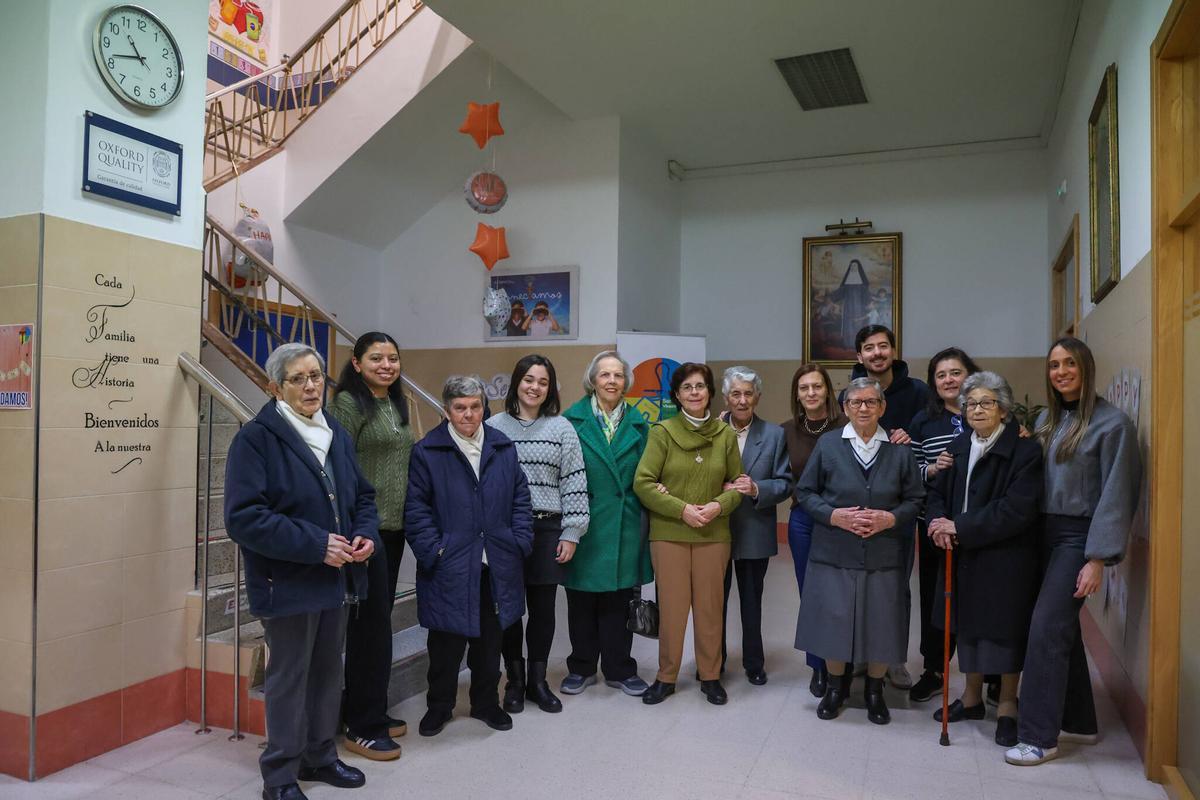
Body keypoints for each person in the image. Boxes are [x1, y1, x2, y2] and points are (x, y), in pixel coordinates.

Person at [225, 343, 378, 800]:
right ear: (275, 387)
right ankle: (279, 776)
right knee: (290, 677)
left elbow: (362, 496)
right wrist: (316, 545)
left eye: (316, 376)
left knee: (328, 671)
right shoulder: (256, 439)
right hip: (287, 583)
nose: (311, 386)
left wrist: (365, 533)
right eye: (298, 378)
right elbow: (244, 517)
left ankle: (319, 756)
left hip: (336, 579)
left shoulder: (335, 433)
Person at [1005, 338, 1141, 766]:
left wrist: (1098, 558)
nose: (1060, 371)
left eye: (1069, 363)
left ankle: (1038, 737)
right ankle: (1079, 720)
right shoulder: (1048, 420)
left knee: (1045, 629)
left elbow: (1117, 496)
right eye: (1053, 365)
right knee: (1061, 629)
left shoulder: (1112, 425)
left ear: (1086, 367)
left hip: (1076, 539)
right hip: (1040, 534)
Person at [404, 376, 534, 737]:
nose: (468, 414)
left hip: (495, 563)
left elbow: (521, 500)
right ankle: (439, 707)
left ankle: (485, 703)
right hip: (450, 564)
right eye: (460, 408)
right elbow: (417, 512)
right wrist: (436, 551)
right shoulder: (428, 452)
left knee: (489, 644)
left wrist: (517, 541)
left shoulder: (503, 448)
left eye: (475, 406)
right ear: (446, 411)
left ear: (484, 408)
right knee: (445, 645)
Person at [795, 377, 924, 725]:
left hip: (883, 552)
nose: (863, 408)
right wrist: (833, 516)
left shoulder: (900, 449)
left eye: (871, 402)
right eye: (856, 402)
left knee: (881, 622)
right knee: (835, 620)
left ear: (882, 407)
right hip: (833, 550)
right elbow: (805, 494)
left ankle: (874, 691)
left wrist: (890, 518)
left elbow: (915, 499)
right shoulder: (829, 444)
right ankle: (836, 687)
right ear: (846, 407)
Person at [926, 371, 1043, 747]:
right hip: (962, 553)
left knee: (1006, 630)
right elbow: (936, 494)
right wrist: (936, 524)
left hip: (1005, 556)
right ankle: (972, 697)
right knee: (968, 626)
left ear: (1004, 409)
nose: (977, 409)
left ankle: (1008, 704)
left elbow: (1016, 510)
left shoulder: (1025, 451)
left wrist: (958, 526)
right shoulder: (959, 446)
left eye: (986, 402)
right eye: (971, 403)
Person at [634, 362, 743, 706]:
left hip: (714, 533)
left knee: (711, 609)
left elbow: (738, 486)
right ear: (677, 395)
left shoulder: (725, 435)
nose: (695, 392)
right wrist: (681, 509)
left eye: (700, 386)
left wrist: (717, 506)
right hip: (669, 533)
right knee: (673, 609)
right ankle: (666, 677)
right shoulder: (662, 433)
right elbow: (643, 482)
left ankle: (710, 676)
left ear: (710, 392)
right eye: (687, 387)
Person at [486, 355, 589, 714]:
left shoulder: (562, 429)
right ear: (516, 382)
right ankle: (513, 682)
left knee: (543, 610)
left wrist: (572, 531)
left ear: (550, 388)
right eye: (529, 379)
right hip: (505, 530)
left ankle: (537, 681)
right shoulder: (493, 427)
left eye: (543, 382)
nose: (535, 387)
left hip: (547, 527)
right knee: (510, 610)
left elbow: (574, 481)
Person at [327, 332, 413, 761]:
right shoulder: (346, 405)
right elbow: (337, 468)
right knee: (369, 629)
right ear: (356, 364)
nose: (386, 365)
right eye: (376, 358)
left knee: (377, 623)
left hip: (392, 531)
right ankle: (362, 726)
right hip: (366, 532)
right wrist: (352, 528)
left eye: (393, 358)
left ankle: (366, 710)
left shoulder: (393, 403)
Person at [840, 324, 930, 689]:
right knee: (858, 585)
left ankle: (894, 659)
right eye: (868, 348)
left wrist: (912, 440)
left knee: (896, 586)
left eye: (883, 346)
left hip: (898, 511)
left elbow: (931, 434)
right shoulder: (849, 392)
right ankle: (861, 654)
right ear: (859, 356)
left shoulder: (919, 392)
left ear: (893, 350)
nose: (876, 353)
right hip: (856, 509)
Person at [560, 350, 653, 698]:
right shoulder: (571, 421)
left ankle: (619, 668)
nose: (612, 381)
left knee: (620, 600)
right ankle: (581, 667)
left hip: (626, 524)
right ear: (593, 381)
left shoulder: (641, 425)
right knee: (581, 599)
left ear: (626, 382)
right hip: (583, 521)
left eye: (618, 376)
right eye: (605, 375)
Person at [905, 347, 982, 704]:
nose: (949, 380)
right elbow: (913, 473)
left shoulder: (987, 413)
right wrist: (934, 467)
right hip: (934, 523)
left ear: (970, 375)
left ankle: (988, 674)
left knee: (982, 597)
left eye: (956, 372)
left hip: (978, 526)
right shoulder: (924, 421)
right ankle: (935, 668)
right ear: (933, 383)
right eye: (941, 375)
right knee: (935, 598)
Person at [718, 366, 792, 685]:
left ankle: (753, 662)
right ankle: (713, 660)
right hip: (714, 529)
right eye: (736, 393)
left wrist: (757, 488)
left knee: (751, 601)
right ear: (725, 397)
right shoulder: (711, 430)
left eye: (748, 393)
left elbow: (785, 482)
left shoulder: (774, 435)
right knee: (713, 601)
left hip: (753, 528)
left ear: (757, 397)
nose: (742, 399)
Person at [780, 364, 847, 698]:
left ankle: (843, 666)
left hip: (840, 523)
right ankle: (818, 667)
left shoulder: (847, 425)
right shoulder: (786, 431)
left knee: (840, 596)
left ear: (827, 390)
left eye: (816, 387)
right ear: (797, 393)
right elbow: (777, 476)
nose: (810, 393)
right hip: (803, 522)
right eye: (804, 388)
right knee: (811, 596)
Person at [831, 258, 871, 347]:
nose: (853, 267)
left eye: (854, 266)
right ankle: (848, 344)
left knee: (859, 326)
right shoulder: (846, 283)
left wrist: (869, 303)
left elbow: (867, 296)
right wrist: (830, 296)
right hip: (848, 309)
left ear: (858, 268)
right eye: (851, 266)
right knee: (848, 326)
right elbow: (839, 293)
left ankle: (859, 345)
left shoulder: (862, 284)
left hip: (859, 309)